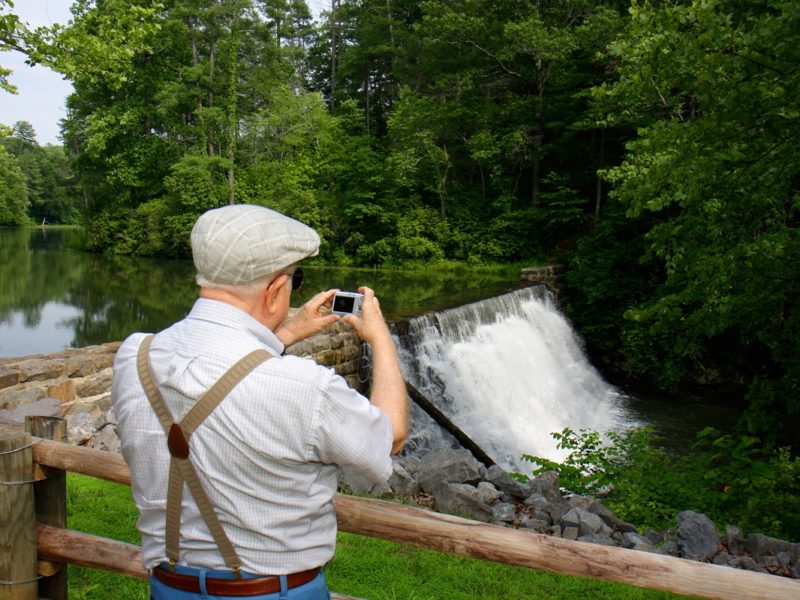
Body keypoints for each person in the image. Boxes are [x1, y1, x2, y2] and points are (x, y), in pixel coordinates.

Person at [112, 204, 408, 599]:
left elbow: (216, 372)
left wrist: (284, 333)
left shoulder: (136, 355)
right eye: (294, 281)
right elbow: (390, 436)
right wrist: (380, 338)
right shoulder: (306, 388)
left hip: (169, 588)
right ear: (273, 291)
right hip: (275, 592)